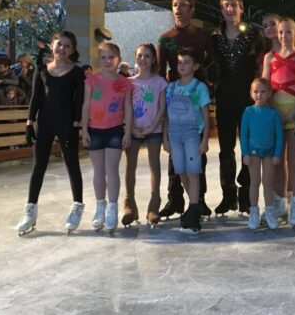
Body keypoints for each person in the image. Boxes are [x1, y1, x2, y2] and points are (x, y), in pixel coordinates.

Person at [16, 31, 85, 235]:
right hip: (44, 123)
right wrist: (29, 123)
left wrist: (77, 123)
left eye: (67, 46)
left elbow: (80, 100)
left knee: (72, 164)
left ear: (72, 50)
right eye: (59, 44)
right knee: (38, 166)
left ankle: (77, 205)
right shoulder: (41, 70)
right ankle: (30, 210)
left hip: (67, 124)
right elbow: (35, 98)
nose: (62, 49)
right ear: (52, 45)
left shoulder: (76, 72)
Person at [157, 0, 212, 220]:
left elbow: (211, 65)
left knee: (197, 154)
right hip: (175, 97)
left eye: (183, 5)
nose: (178, 9)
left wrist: (209, 88)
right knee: (175, 156)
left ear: (192, 9)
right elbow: (160, 72)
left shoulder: (202, 36)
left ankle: (199, 200)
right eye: (174, 5)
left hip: (196, 97)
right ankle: (174, 199)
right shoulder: (165, 38)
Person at [212, 0, 264, 215]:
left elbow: (262, 66)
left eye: (234, 5)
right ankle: (228, 195)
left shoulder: (254, 35)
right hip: (224, 98)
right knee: (225, 149)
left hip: (247, 100)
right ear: (221, 9)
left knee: (248, 149)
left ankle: (246, 196)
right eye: (226, 5)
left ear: (242, 9)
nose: (230, 9)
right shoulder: (214, 36)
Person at [262, 17, 295, 227]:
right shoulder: (269, 57)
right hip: (275, 114)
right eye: (281, 32)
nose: (284, 36)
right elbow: (264, 86)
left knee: (294, 159)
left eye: (288, 32)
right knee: (277, 160)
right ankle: (279, 203)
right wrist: (270, 112)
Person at [81, 42, 133, 233]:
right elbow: (86, 105)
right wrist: (84, 130)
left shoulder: (125, 83)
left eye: (111, 57)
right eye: (103, 57)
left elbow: (128, 107)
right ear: (99, 60)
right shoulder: (91, 81)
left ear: (119, 59)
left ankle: (112, 207)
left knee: (112, 169)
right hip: (94, 130)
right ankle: (100, 206)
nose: (107, 61)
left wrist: (128, 132)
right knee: (98, 170)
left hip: (115, 130)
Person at [163, 48, 211, 234]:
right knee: (181, 171)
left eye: (187, 62)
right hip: (174, 135)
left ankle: (193, 210)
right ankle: (194, 206)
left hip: (192, 134)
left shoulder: (199, 87)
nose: (182, 65)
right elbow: (166, 115)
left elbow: (205, 115)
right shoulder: (171, 88)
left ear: (195, 66)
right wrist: (165, 138)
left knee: (193, 172)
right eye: (179, 62)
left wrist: (204, 139)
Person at [122, 44, 167, 227]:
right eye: (140, 55)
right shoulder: (129, 82)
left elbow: (162, 108)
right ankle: (129, 204)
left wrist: (152, 128)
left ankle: (154, 204)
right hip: (132, 129)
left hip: (153, 129)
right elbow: (125, 107)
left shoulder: (160, 82)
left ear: (153, 59)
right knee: (130, 165)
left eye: (147, 56)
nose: (143, 59)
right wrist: (130, 128)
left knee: (154, 165)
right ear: (135, 57)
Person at [240, 78, 284, 230]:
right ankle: (254, 211)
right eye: (256, 92)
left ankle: (270, 211)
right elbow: (243, 134)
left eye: (263, 92)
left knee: (268, 182)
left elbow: (279, 135)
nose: (259, 95)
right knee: (255, 182)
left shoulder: (273, 113)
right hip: (253, 152)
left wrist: (277, 153)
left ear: (269, 93)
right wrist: (245, 153)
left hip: (269, 153)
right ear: (251, 93)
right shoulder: (248, 111)